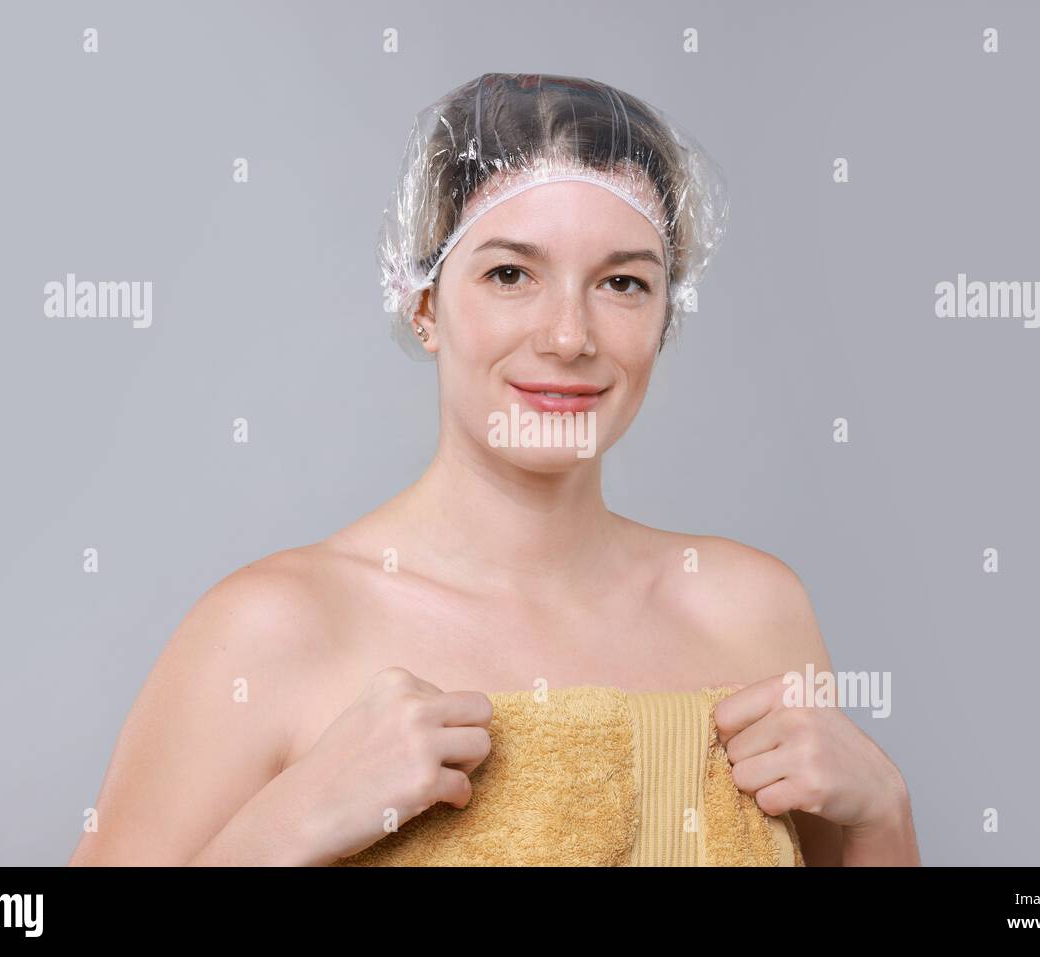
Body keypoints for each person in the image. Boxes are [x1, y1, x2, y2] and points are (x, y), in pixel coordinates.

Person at [69, 72, 919, 867]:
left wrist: (884, 812)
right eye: (511, 273)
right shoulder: (274, 629)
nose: (567, 336)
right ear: (426, 303)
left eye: (623, 283)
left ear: (664, 316)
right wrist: (285, 826)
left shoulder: (752, 611)